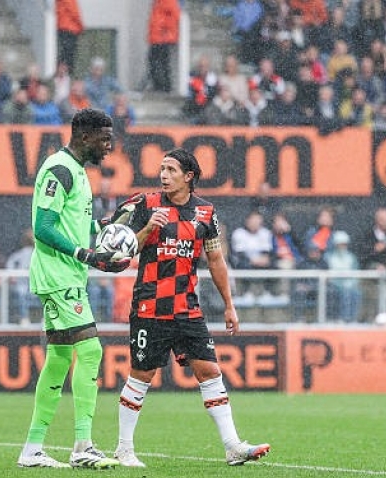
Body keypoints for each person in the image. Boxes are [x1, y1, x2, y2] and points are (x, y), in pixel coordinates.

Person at [110, 148, 269, 467]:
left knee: (209, 370)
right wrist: (146, 229)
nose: (163, 175)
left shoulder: (206, 213)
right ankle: (123, 449)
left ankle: (232, 446)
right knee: (142, 375)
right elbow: (125, 248)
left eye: (170, 170)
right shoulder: (148, 204)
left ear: (188, 176)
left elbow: (215, 259)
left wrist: (229, 305)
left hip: (186, 307)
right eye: (162, 169)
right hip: (150, 306)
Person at [17, 108, 130, 469]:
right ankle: (83, 444)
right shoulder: (60, 169)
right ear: (84, 137)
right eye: (104, 139)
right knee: (92, 351)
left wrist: (104, 229)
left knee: (60, 358)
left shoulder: (78, 173)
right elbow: (43, 226)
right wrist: (85, 253)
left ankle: (32, 449)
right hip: (59, 276)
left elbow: (72, 225)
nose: (109, 147)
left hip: (66, 276)